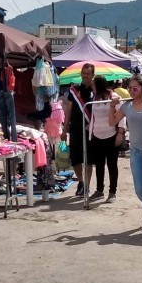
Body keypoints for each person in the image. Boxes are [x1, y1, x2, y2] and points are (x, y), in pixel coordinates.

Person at [109, 75, 142, 234]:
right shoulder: (126, 106)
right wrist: (112, 106)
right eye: (129, 88)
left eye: (135, 88)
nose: (131, 91)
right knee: (139, 189)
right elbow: (112, 122)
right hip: (136, 152)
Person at [87, 76, 123, 202]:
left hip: (111, 135)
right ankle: (99, 190)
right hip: (97, 135)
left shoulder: (113, 96)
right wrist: (90, 131)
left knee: (112, 165)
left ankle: (112, 192)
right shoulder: (94, 97)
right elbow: (93, 117)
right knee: (99, 165)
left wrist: (120, 133)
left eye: (93, 85)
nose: (91, 87)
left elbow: (121, 115)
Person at [62, 63, 95, 196]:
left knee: (89, 159)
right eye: (84, 73)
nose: (85, 76)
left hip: (90, 129)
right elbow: (68, 109)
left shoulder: (95, 90)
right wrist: (64, 129)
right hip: (75, 128)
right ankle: (81, 182)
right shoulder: (73, 90)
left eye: (88, 74)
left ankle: (87, 185)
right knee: (75, 158)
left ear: (92, 75)